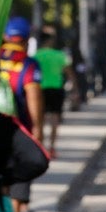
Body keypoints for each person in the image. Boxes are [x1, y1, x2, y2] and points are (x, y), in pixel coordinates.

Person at [0, 18, 44, 212]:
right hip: (18, 129)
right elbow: (33, 96)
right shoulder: (28, 63)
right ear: (26, 39)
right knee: (17, 181)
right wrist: (37, 129)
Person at [34, 26, 72, 157]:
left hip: (40, 89)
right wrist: (75, 88)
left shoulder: (36, 56)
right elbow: (68, 72)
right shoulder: (59, 55)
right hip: (56, 89)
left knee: (41, 119)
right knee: (55, 118)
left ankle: (40, 147)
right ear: (50, 40)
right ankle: (52, 148)